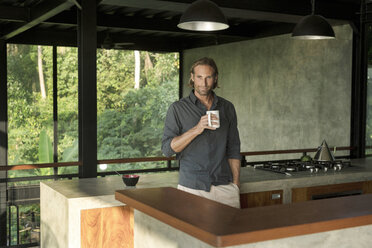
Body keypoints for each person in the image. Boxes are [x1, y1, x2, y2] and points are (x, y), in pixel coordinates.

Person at [161, 57, 241, 208]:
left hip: (225, 186)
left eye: (208, 77)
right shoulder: (177, 109)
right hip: (192, 188)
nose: (203, 83)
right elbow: (167, 150)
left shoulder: (227, 107)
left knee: (232, 231)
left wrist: (235, 184)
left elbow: (234, 148)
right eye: (199, 77)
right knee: (191, 232)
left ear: (215, 78)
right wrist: (196, 130)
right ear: (192, 77)